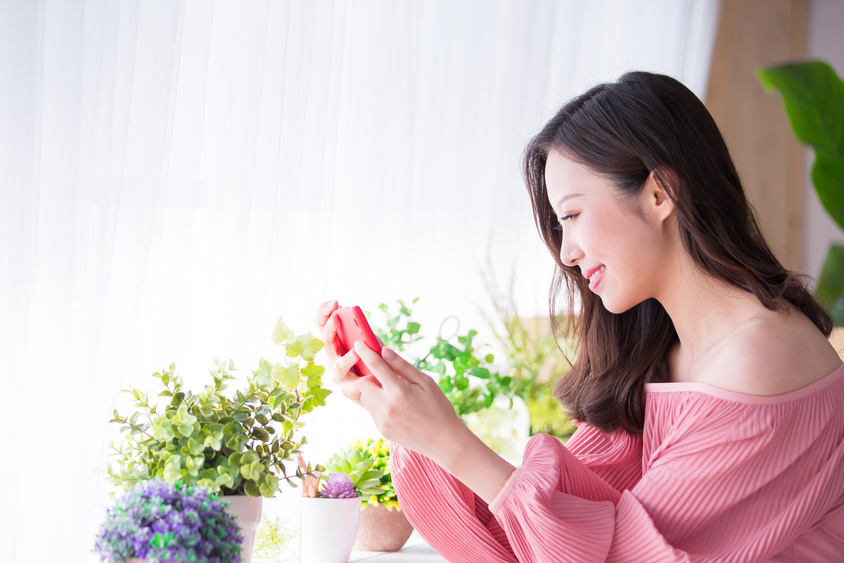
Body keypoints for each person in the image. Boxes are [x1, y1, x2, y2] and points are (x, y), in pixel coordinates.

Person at [315, 71, 844, 562]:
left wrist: (448, 441)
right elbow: (537, 542)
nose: (565, 252)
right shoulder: (665, 356)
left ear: (661, 193)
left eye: (571, 215)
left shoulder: (762, 358)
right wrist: (407, 416)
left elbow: (621, 556)